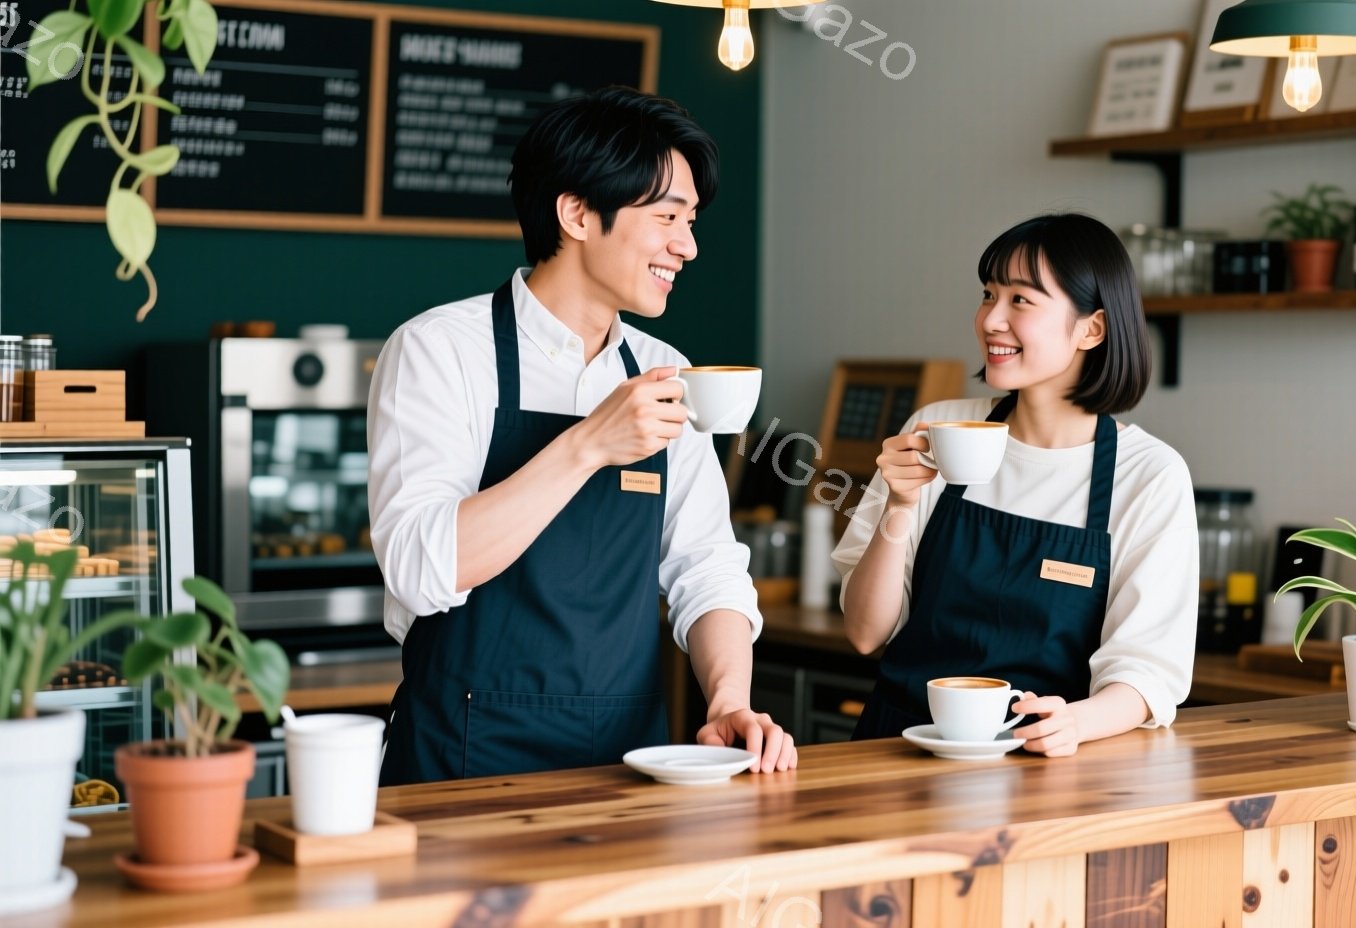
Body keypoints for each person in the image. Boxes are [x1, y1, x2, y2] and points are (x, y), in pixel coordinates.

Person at [369, 87, 797, 786]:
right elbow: (421, 569)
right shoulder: (438, 350)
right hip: (464, 755)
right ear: (575, 213)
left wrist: (729, 700)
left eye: (690, 221)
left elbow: (706, 566)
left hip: (628, 759)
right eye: (666, 217)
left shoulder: (667, 370)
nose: (686, 246)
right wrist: (588, 445)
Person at [833, 213, 1199, 755]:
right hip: (898, 749)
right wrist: (900, 505)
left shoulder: (1148, 474)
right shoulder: (937, 430)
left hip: (1040, 762)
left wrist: (1076, 722)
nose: (990, 319)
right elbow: (865, 632)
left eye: (1021, 300)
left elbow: (1147, 674)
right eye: (988, 294)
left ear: (1091, 328)